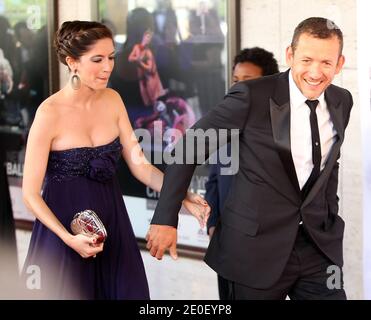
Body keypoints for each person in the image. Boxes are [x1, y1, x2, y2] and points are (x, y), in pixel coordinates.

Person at [147, 17, 353, 300]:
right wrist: (165, 219)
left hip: (318, 249)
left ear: (340, 64)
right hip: (255, 251)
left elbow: (331, 164)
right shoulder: (251, 96)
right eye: (306, 60)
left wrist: (329, 216)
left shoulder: (343, 101)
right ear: (290, 55)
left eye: (326, 63)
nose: (315, 73)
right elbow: (188, 148)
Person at [21, 21, 209, 300]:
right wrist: (69, 239)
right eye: (97, 59)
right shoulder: (49, 113)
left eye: (111, 57)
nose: (108, 67)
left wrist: (182, 194)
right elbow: (30, 194)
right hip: (63, 234)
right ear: (72, 62)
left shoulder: (112, 100)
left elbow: (141, 166)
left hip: (113, 225)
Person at [205, 47, 279, 299]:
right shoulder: (226, 123)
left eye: (248, 82)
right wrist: (212, 222)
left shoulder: (282, 133)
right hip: (226, 241)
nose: (239, 89)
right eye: (236, 81)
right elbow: (214, 177)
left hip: (262, 245)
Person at [128, 29, 167, 107]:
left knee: (153, 99)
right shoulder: (137, 47)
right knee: (146, 99)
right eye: (147, 37)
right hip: (142, 78)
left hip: (150, 78)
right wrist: (137, 59)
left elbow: (149, 68)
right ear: (143, 36)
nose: (148, 39)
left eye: (150, 38)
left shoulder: (148, 52)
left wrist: (140, 63)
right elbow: (130, 58)